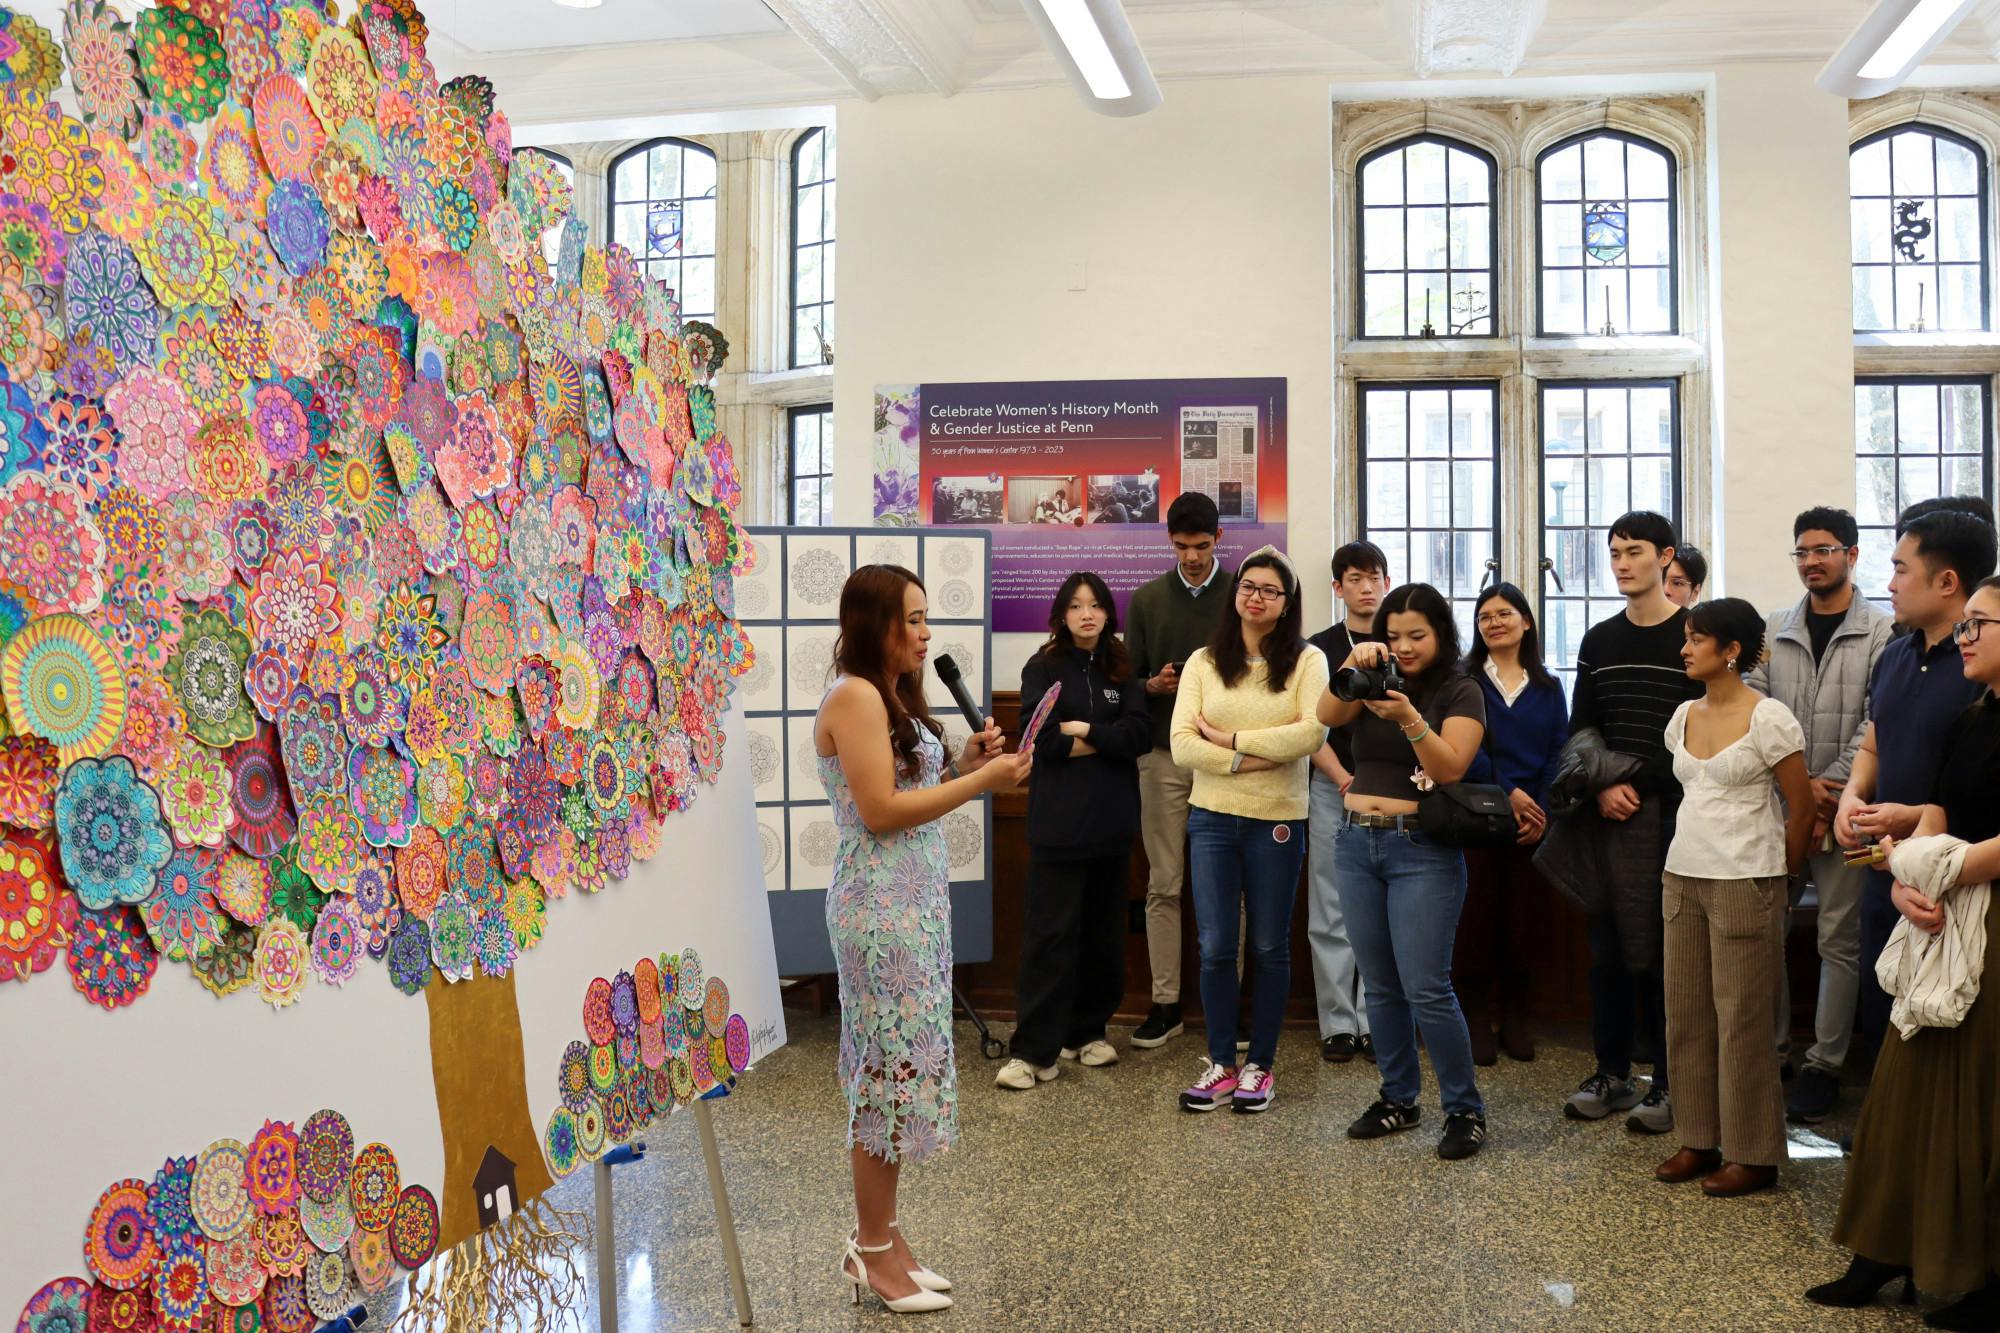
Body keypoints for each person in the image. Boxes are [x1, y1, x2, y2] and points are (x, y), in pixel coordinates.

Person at [815, 565, 1032, 1313]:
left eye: (926, 616)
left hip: (914, 907)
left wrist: (969, 762)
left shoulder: (891, 698)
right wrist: (983, 782)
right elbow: (879, 811)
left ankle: (887, 1236)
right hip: (878, 914)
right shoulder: (852, 695)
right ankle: (871, 1250)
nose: (925, 632)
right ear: (875, 624)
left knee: (903, 1072)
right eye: (911, 618)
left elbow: (909, 794)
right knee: (885, 1077)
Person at [1811, 575, 2000, 1326]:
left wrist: (1946, 871)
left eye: (1980, 623)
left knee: (1978, 1098)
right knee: (1900, 1088)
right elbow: (1939, 813)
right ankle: (1884, 1250)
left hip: (1988, 915)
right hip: (1940, 910)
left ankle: (1977, 1268)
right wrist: (1905, 884)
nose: (1966, 637)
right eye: (1967, 625)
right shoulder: (1973, 715)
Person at [1318, 582, 1491, 1160]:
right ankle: (1398, 1097)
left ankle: (1465, 1109)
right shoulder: (1371, 677)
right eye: (1393, 636)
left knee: (1426, 986)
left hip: (1420, 850)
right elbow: (1324, 716)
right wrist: (1353, 661)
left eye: (1417, 634)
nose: (1405, 646)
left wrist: (1411, 717)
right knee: (1382, 985)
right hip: (1354, 844)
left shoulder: (1461, 689)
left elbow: (1451, 767)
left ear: (1441, 633)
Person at [1653, 599, 1814, 1198]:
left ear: (1732, 651)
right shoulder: (1683, 713)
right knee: (1687, 1013)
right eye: (1687, 639)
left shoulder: (1768, 717)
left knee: (1743, 1020)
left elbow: (1802, 808)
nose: (1685, 648)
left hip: (1747, 878)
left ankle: (1753, 1151)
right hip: (1683, 874)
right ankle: (1698, 1136)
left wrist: (1788, 880)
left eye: (1697, 640)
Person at [1551, 511, 1704, 1133]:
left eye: (1634, 551)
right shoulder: (1599, 640)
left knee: (1669, 956)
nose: (1620, 562)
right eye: (1613, 551)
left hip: (1678, 816)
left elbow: (1708, 735)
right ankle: (1613, 1073)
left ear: (1665, 558)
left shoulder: (1694, 638)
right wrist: (1604, 785)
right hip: (1606, 816)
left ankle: (1670, 1083)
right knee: (1606, 952)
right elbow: (1582, 729)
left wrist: (1637, 785)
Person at [1745, 507, 1892, 1124]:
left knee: (1839, 940)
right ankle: (1772, 1051)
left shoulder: (1882, 631)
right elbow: (1751, 695)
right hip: (1779, 809)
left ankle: (1824, 1065)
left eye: (1824, 550)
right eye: (1802, 551)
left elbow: (1877, 718)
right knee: (1765, 934)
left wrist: (1827, 789)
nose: (1812, 561)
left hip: (1846, 812)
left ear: (1852, 555)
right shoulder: (1776, 627)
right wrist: (1796, 786)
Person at [1169, 546, 1328, 1114]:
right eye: (1248, 586)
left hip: (1278, 820)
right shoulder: (1204, 661)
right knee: (1214, 945)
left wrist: (1231, 740)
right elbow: (1182, 742)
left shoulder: (1308, 662)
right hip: (1211, 817)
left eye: (1270, 590)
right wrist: (1248, 760)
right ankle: (1220, 1063)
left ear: (1286, 605)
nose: (1256, 596)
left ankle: (1261, 1065)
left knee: (1267, 943)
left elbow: (1311, 736)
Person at [1838, 510, 1996, 1064]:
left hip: (1957, 877)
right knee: (1883, 1004)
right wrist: (1853, 794)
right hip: (1888, 869)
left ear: (1946, 582)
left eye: (1902, 569)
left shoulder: (1978, 671)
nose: (1890, 584)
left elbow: (1967, 788)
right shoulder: (1896, 653)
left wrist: (1911, 819)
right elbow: (1877, 740)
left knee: (1947, 1029)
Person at [998, 572, 1152, 1090]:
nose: (1087, 614)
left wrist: (1085, 731)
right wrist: (1104, 740)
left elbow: (1138, 736)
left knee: (1103, 936)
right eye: (1076, 606)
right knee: (1049, 938)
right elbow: (1038, 741)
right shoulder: (1042, 667)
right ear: (1062, 615)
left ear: (1109, 613)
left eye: (1096, 606)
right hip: (1058, 826)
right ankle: (1033, 1051)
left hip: (1112, 824)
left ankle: (1088, 1033)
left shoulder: (1122, 668)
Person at [1124, 492, 1232, 1049]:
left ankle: (1228, 1008)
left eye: (1202, 546)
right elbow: (1130, 679)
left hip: (1226, 761)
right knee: (1163, 884)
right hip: (1163, 756)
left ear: (1219, 540)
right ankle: (1165, 1002)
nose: (1192, 557)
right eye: (1182, 547)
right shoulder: (1145, 600)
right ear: (1169, 542)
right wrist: (1153, 685)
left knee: (1225, 885)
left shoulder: (1242, 595)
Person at [1459, 582, 1568, 1065]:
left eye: (1505, 614)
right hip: (1475, 819)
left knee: (1523, 925)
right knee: (1475, 923)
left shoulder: (1547, 687)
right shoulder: (1465, 683)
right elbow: (1466, 752)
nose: (1494, 622)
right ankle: (1477, 1020)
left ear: (1526, 621)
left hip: (1531, 826)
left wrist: (1538, 809)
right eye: (1485, 617)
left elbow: (1557, 754)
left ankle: (1517, 1019)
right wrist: (1510, 794)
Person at [1304, 541, 1387, 1064]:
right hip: (1331, 785)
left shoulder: (1401, 636)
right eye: (1354, 578)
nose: (1365, 587)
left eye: (1374, 576)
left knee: (1380, 909)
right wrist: (1340, 779)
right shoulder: (1318, 647)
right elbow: (1311, 725)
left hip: (1391, 792)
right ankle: (1337, 1022)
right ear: (1338, 587)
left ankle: (1377, 1018)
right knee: (1330, 906)